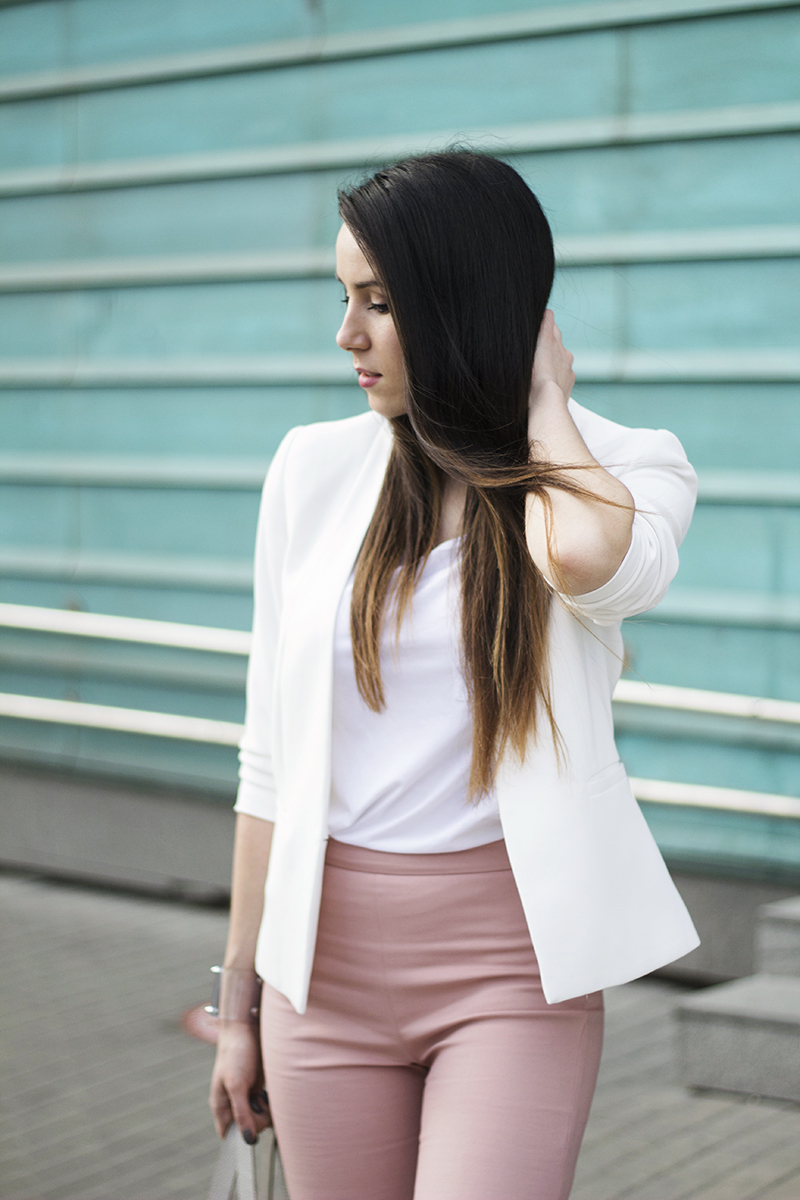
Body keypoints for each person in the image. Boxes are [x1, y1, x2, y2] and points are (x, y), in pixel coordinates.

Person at [208, 150, 699, 1200]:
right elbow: (268, 764)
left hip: (508, 972)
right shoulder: (309, 467)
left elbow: (581, 563)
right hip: (319, 973)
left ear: (460, 303)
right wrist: (235, 1011)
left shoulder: (621, 468)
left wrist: (537, 401)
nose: (346, 335)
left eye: (378, 304)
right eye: (343, 298)